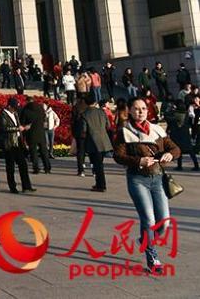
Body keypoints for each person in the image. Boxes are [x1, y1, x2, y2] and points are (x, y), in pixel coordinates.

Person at [113, 97, 180, 274]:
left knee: (164, 223)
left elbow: (175, 149)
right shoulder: (124, 131)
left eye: (143, 108)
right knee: (149, 220)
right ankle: (152, 258)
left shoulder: (156, 129)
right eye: (136, 108)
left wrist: (170, 155)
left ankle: (145, 240)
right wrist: (138, 161)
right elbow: (118, 156)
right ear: (129, 110)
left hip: (158, 179)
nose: (140, 112)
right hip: (137, 180)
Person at [0, 98, 34, 194]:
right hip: (9, 143)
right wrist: (17, 128)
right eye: (14, 108)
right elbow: (4, 128)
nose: (15, 109)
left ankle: (26, 186)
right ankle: (12, 187)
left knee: (23, 164)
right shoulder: (3, 114)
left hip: (18, 141)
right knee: (10, 166)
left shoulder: (15, 113)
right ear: (9, 106)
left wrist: (23, 128)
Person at [82, 98, 113, 192]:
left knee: (97, 165)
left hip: (93, 142)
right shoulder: (102, 112)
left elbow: (84, 130)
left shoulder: (85, 114)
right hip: (104, 140)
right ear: (95, 102)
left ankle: (101, 185)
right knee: (99, 164)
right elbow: (108, 126)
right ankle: (99, 184)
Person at [164, 100, 199, 171]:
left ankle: (179, 166)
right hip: (185, 135)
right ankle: (196, 165)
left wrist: (168, 109)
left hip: (177, 135)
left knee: (179, 149)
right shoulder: (186, 114)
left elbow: (167, 118)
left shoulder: (174, 115)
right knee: (190, 151)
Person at [20, 97, 51, 174]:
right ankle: (47, 168)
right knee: (44, 151)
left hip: (31, 133)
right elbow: (44, 118)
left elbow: (22, 122)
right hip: (41, 132)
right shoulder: (40, 108)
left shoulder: (25, 110)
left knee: (33, 152)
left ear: (27, 101)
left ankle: (36, 168)